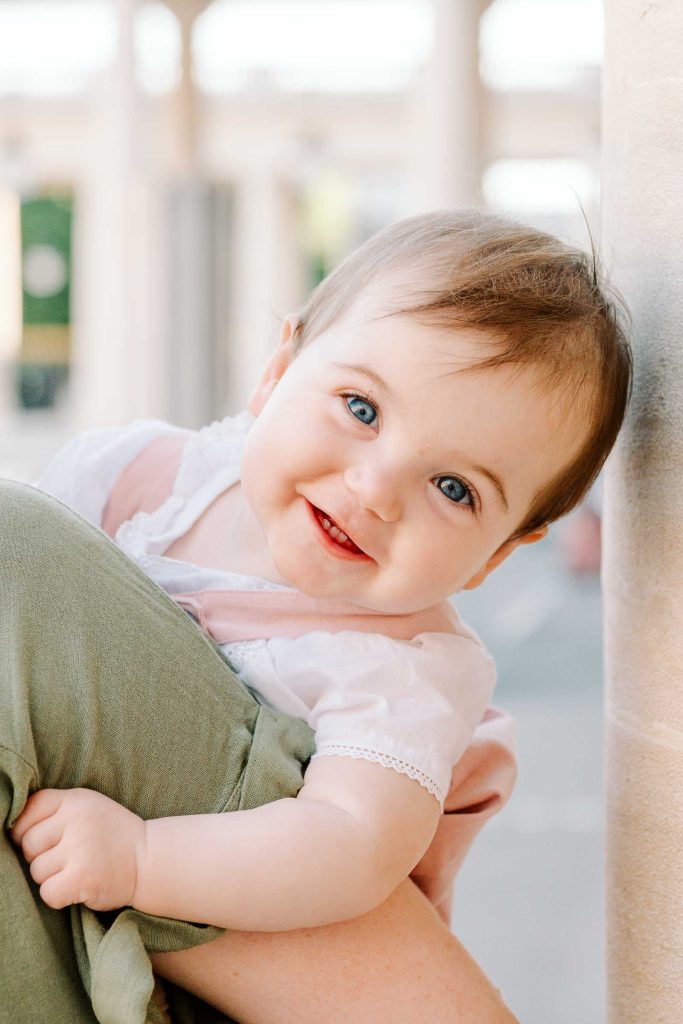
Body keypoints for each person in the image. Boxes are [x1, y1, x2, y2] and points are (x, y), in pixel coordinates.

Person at [5, 209, 631, 1023]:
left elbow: (346, 845)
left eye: (453, 489)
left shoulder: (401, 664)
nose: (374, 491)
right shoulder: (134, 476)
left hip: (185, 973)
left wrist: (141, 858)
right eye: (361, 409)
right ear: (278, 370)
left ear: (497, 555)